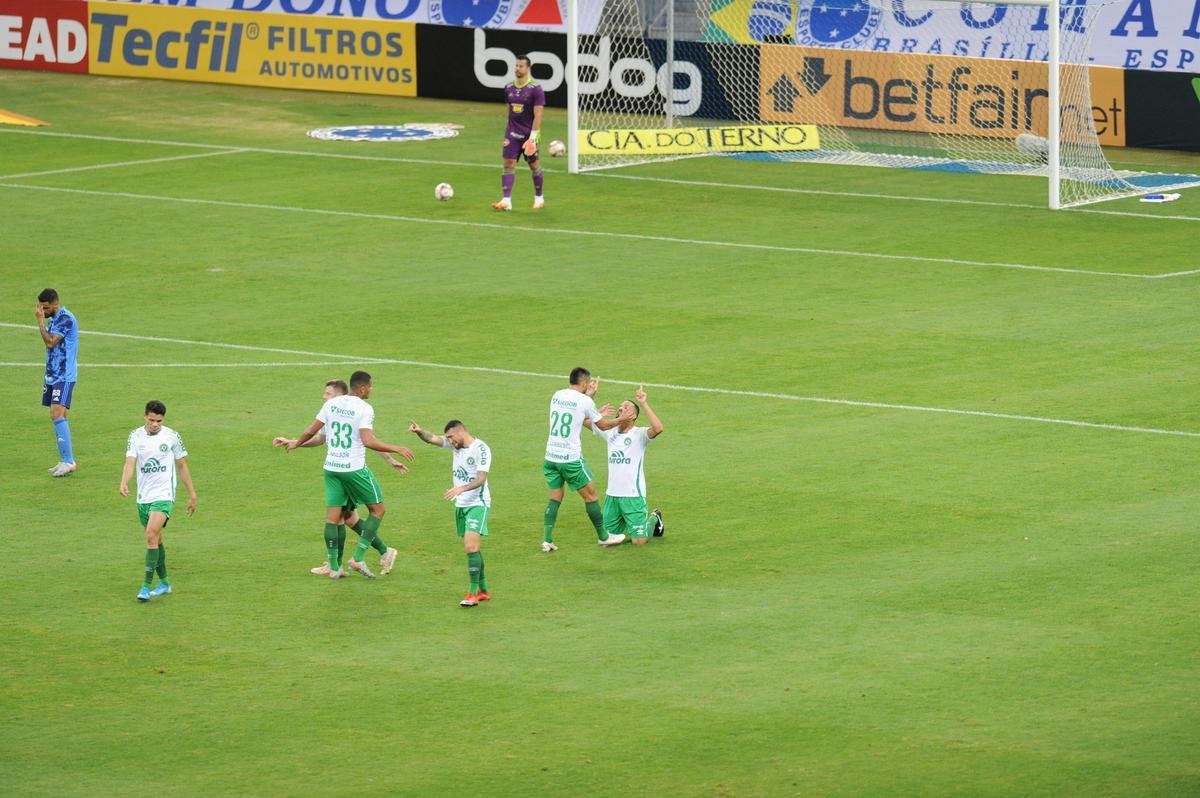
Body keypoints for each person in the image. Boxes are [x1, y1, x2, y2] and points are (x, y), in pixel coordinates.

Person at [285, 371, 414, 580]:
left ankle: (335, 567)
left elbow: (311, 430)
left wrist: (296, 443)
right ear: (362, 388)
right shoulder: (365, 408)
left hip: (331, 468)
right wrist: (396, 448)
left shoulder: (331, 404)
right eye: (370, 386)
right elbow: (368, 440)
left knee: (335, 517)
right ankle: (358, 557)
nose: (371, 389)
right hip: (353, 469)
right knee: (378, 510)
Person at [410, 419, 494, 607]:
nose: (449, 441)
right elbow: (432, 438)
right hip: (461, 505)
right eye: (447, 438)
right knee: (473, 548)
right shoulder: (455, 444)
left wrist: (461, 489)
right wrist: (419, 431)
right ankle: (484, 590)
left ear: (461, 432)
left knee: (470, 547)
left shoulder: (481, 449)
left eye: (451, 437)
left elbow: (481, 478)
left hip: (478, 504)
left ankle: (473, 593)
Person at [120, 400, 197, 602]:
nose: (155, 424)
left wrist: (192, 494)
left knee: (150, 534)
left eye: (159, 421)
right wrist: (124, 482)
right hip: (144, 497)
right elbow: (130, 462)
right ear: (145, 416)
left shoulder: (172, 436)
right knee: (156, 539)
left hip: (164, 495)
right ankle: (165, 583)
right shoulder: (135, 436)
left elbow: (182, 466)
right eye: (152, 420)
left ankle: (145, 587)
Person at [542, 366, 625, 551]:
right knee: (591, 496)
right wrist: (622, 419)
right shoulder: (585, 401)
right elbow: (603, 426)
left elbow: (576, 413)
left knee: (555, 497)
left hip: (551, 457)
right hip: (570, 459)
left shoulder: (557, 395)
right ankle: (604, 537)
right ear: (585, 382)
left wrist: (590, 400)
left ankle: (547, 540)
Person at [592, 385, 665, 546]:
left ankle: (654, 518)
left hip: (633, 496)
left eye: (626, 407)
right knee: (606, 541)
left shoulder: (639, 434)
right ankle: (627, 524)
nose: (621, 408)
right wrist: (595, 410)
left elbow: (658, 428)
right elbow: (583, 421)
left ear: (634, 416)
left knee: (638, 541)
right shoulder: (609, 432)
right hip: (612, 496)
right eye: (620, 407)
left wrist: (644, 403)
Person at [492, 54, 546, 212]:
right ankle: (506, 201)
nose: (517, 68)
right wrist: (507, 131)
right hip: (512, 133)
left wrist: (533, 138)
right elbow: (509, 110)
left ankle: (539, 198)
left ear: (528, 68)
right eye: (516, 65)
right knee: (508, 163)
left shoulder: (536, 89)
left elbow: (538, 115)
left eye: (521, 66)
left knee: (534, 165)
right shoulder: (508, 88)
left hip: (529, 134)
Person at [36, 288, 79, 477]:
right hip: (53, 375)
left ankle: (69, 462)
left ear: (55, 304)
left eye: (45, 308)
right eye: (41, 308)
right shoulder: (53, 319)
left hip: (64, 376)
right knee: (58, 416)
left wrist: (40, 322)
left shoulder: (65, 318)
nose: (43, 311)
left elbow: (50, 342)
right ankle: (65, 459)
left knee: (57, 414)